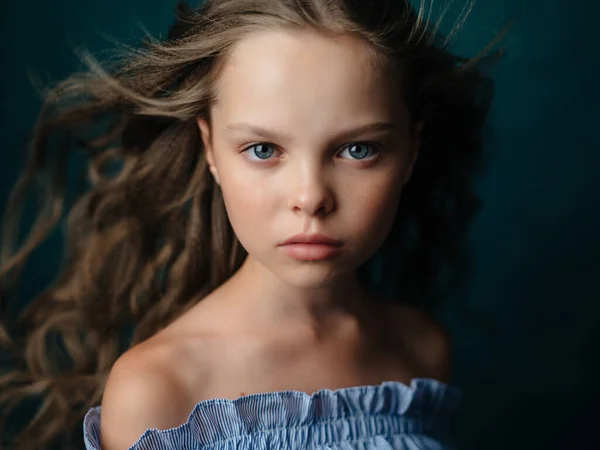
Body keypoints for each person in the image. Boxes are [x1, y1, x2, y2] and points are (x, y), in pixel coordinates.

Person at [0, 0, 496, 449]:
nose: (311, 197)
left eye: (357, 149)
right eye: (263, 150)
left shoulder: (421, 354)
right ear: (210, 148)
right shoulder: (158, 394)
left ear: (411, 151)